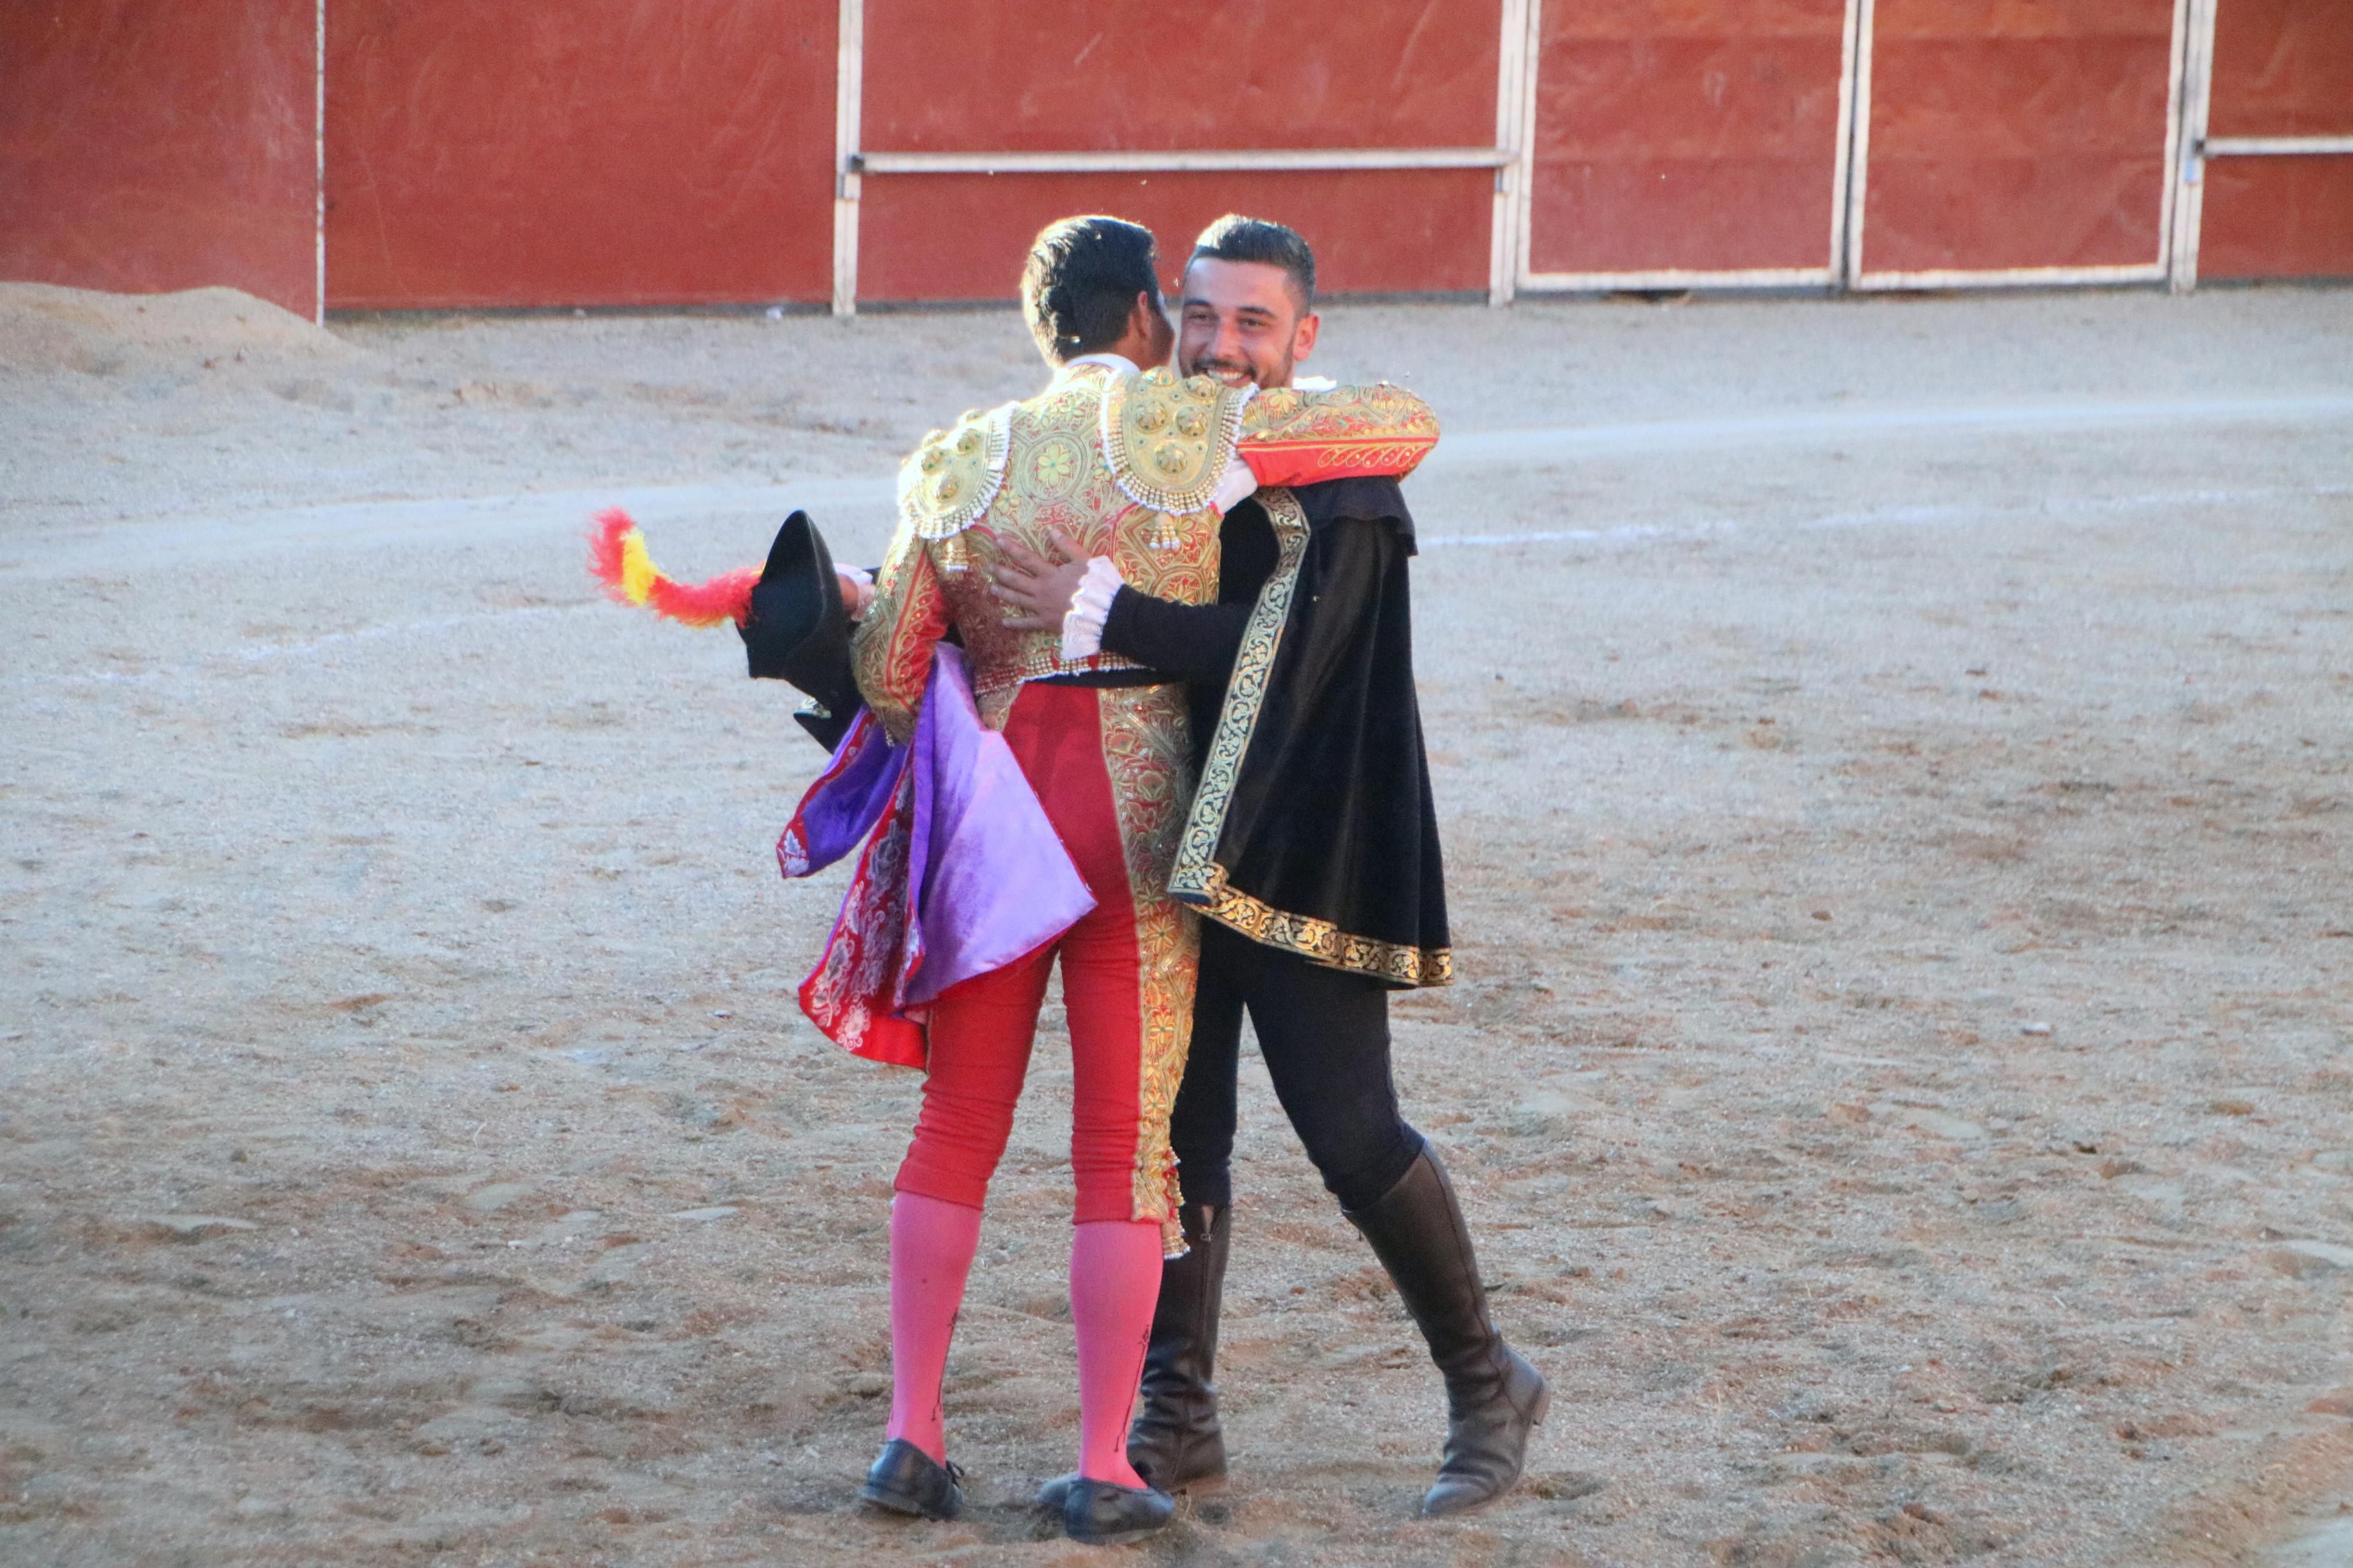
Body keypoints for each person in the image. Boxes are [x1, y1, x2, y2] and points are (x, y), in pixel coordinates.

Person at [843, 214, 1442, 1544]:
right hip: (1136, 808)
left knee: (955, 1129)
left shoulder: (956, 459)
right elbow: (1400, 426)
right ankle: (1107, 1458)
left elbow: (888, 682)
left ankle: (910, 1436)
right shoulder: (1188, 435)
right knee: (1124, 1143)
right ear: (1141, 321)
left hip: (996, 812)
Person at [993, 215, 1547, 1519]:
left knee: (1349, 1130)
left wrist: (1105, 609)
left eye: (1254, 323)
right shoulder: (1153, 448)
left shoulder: (1351, 480)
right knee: (1179, 1131)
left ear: (1306, 339)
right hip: (1174, 838)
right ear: (1163, 318)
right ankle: (1177, 1419)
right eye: (1202, 316)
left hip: (1307, 839)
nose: (1223, 346)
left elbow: (1280, 653)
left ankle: (1488, 1379)